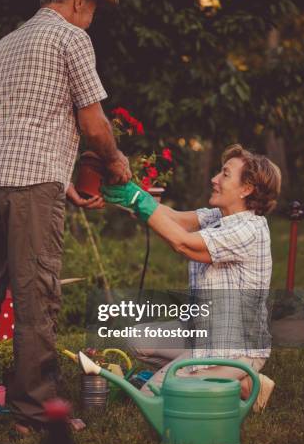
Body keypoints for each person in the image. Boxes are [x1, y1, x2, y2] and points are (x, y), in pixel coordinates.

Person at [0, 0, 131, 433]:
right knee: (37, 296)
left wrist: (62, 181)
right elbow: (92, 122)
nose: (92, 14)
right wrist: (114, 162)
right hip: (29, 188)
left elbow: (20, 121)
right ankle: (33, 411)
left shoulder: (7, 43)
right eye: (92, 4)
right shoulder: (71, 37)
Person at [102, 144, 281, 411]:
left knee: (152, 398)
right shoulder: (219, 217)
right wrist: (130, 193)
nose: (214, 179)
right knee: (138, 340)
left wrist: (136, 200)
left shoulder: (248, 230)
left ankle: (235, 379)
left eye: (225, 174)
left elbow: (183, 243)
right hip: (202, 334)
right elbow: (174, 218)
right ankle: (241, 385)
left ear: (247, 189)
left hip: (232, 349)